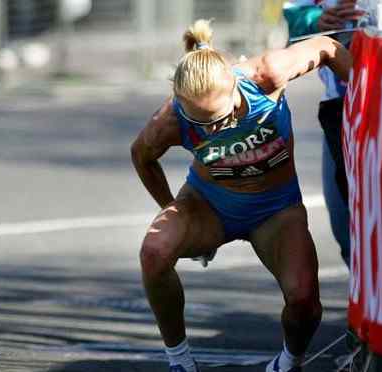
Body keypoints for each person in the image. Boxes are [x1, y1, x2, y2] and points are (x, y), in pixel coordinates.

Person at [130, 19, 352, 372]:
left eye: (223, 116)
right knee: (153, 252)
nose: (219, 128)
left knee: (305, 303)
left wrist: (365, 96)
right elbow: (141, 156)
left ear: (236, 84)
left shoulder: (266, 75)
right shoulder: (169, 120)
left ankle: (288, 362)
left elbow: (326, 47)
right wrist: (171, 208)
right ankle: (180, 360)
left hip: (276, 211)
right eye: (205, 124)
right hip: (209, 206)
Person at [283, 0, 364, 267]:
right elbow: (295, 16)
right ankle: (363, 295)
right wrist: (315, 21)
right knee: (343, 222)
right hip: (341, 107)